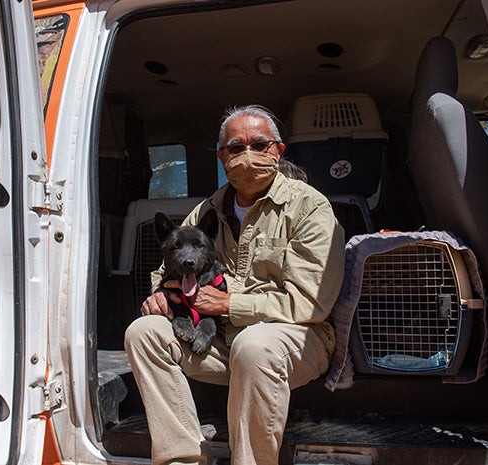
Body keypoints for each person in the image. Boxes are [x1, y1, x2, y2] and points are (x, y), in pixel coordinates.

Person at [124, 105, 346, 465]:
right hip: (221, 341)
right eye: (235, 147)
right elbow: (172, 259)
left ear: (278, 150)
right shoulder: (210, 208)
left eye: (260, 145)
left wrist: (229, 305)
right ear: (221, 156)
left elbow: (310, 304)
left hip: (294, 342)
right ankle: (183, 458)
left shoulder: (309, 208)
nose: (248, 155)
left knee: (254, 344)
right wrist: (162, 294)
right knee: (143, 332)